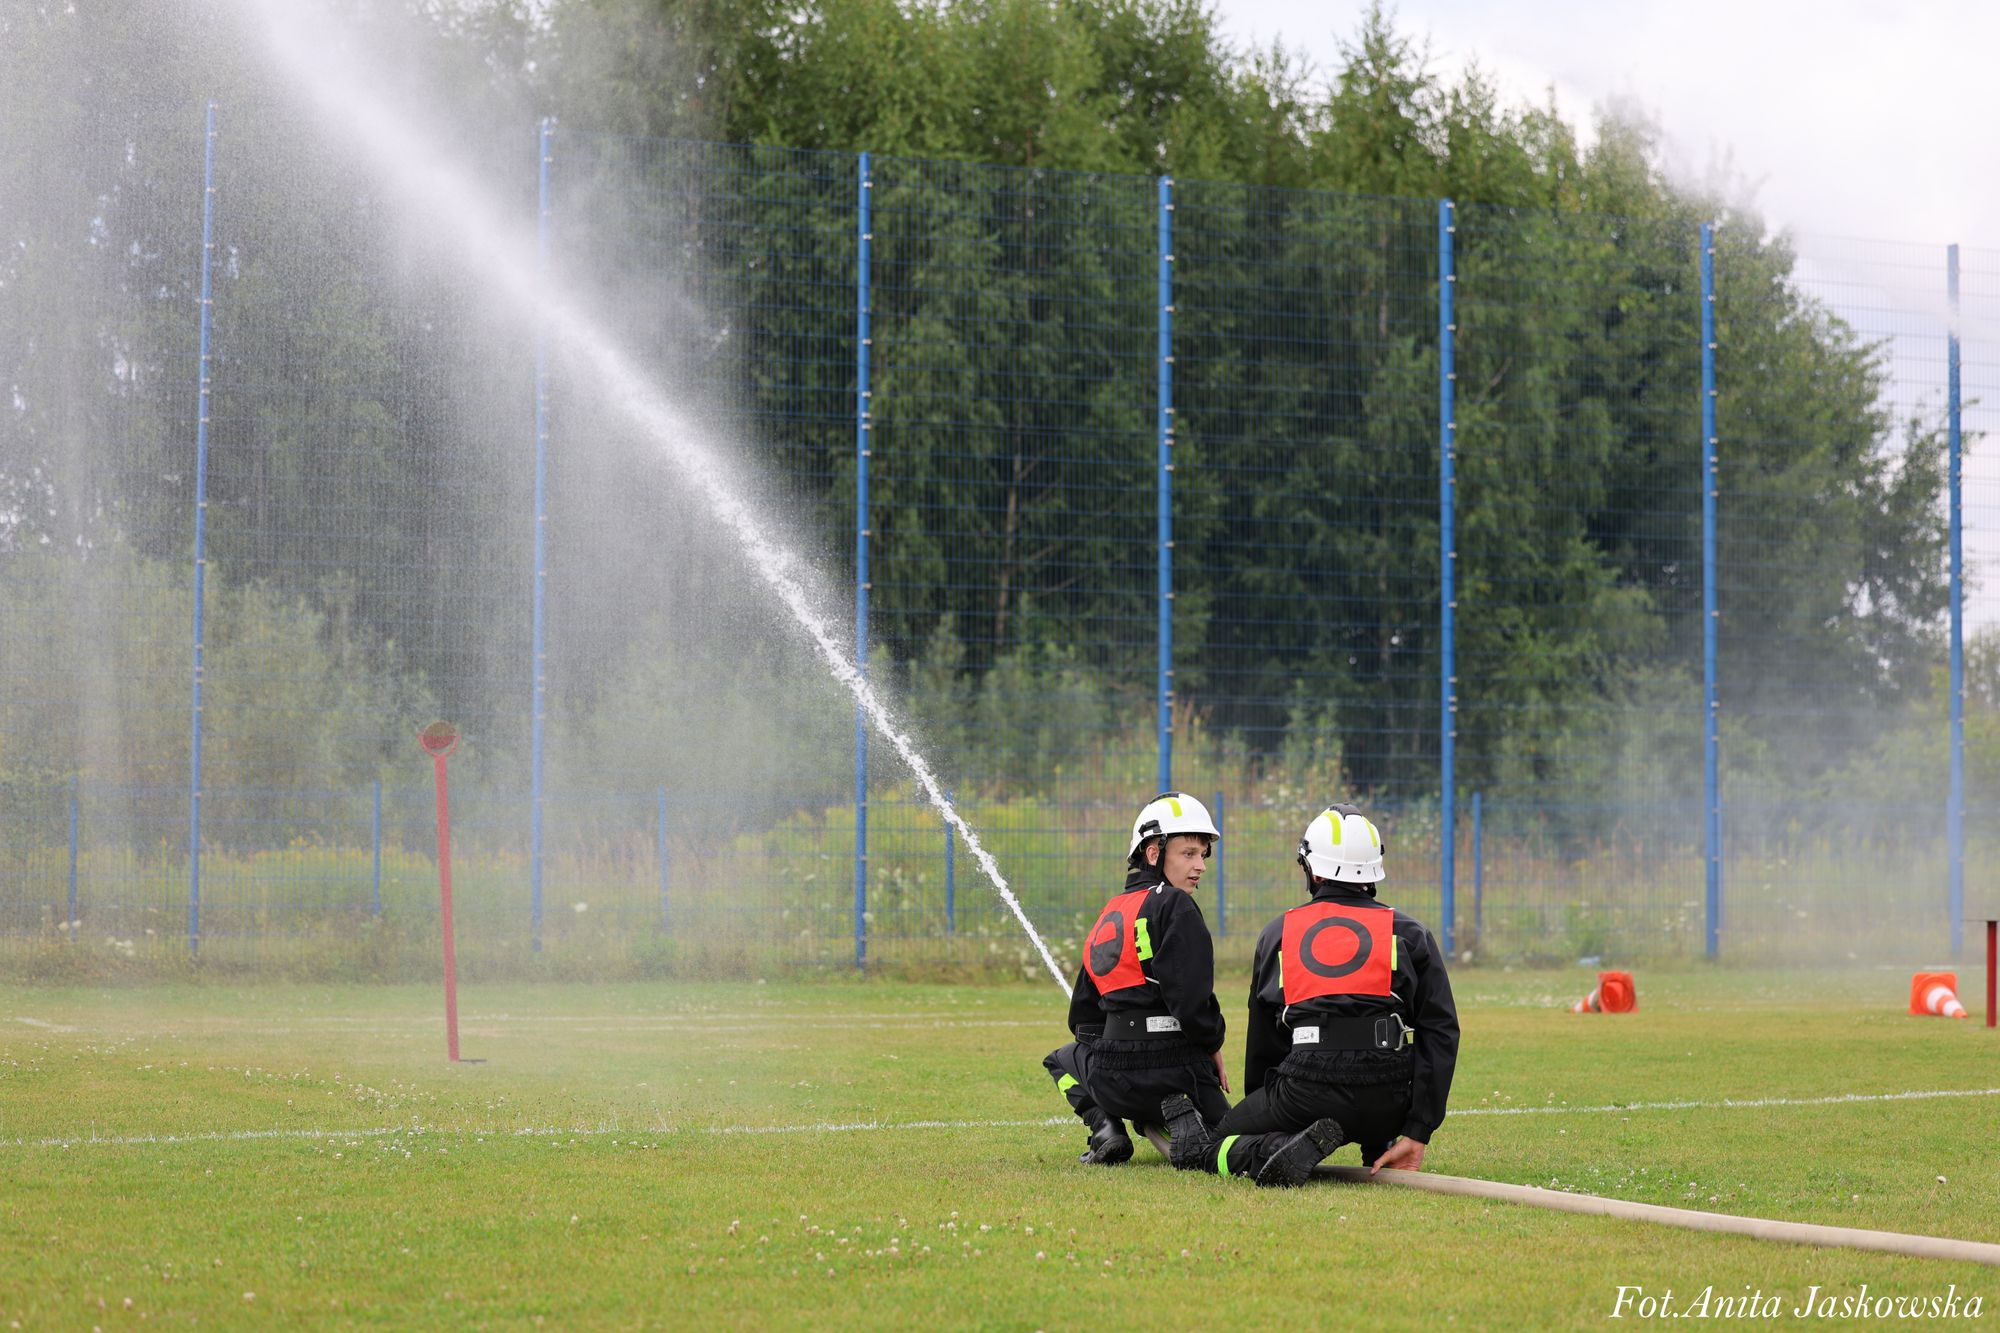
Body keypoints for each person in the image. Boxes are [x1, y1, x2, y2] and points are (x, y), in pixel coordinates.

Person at [1161, 803, 1459, 1187]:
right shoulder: (1410, 933)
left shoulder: (1278, 933)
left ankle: (1278, 1146)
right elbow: (1441, 1031)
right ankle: (1377, 1140)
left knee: (1213, 1143)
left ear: (1312, 869)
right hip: (1389, 1098)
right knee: (1374, 1094)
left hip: (1305, 1094)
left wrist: (1265, 1110)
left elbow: (1265, 1039)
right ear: (1373, 869)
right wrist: (1418, 1129)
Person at [1043, 791, 1231, 1165]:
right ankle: (1189, 1121)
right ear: (1153, 852)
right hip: (1182, 1075)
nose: (1201, 866)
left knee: (1060, 1060)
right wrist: (1212, 1047)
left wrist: (1112, 1060)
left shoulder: (1110, 911)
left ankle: (1106, 1127)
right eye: (1188, 853)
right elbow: (1191, 1003)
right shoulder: (1176, 904)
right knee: (1234, 1138)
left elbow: (1081, 1019)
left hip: (1114, 1082)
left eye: (1202, 855)